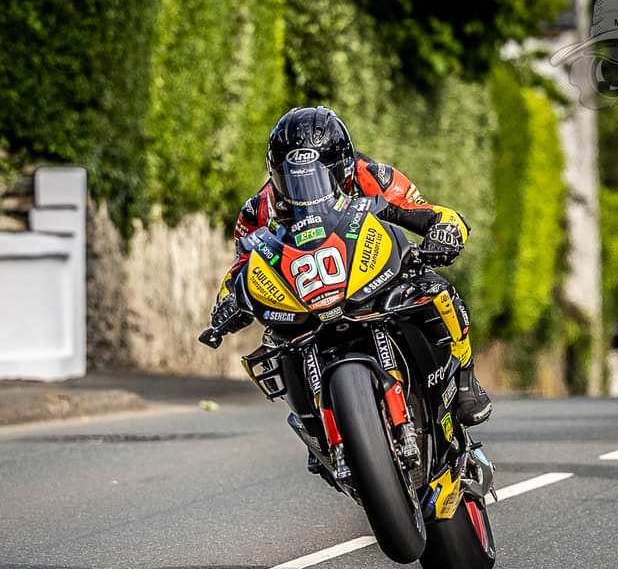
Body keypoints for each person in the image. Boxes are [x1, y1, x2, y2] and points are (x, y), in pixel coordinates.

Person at [210, 105, 492, 431]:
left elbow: (425, 211)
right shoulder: (258, 209)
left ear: (343, 166)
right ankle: (314, 423)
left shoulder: (371, 176)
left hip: (371, 277)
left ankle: (465, 378)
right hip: (307, 295)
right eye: (293, 181)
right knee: (275, 341)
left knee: (433, 286)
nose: (305, 190)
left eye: (320, 175)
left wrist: (445, 230)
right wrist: (228, 299)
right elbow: (242, 264)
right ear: (274, 173)